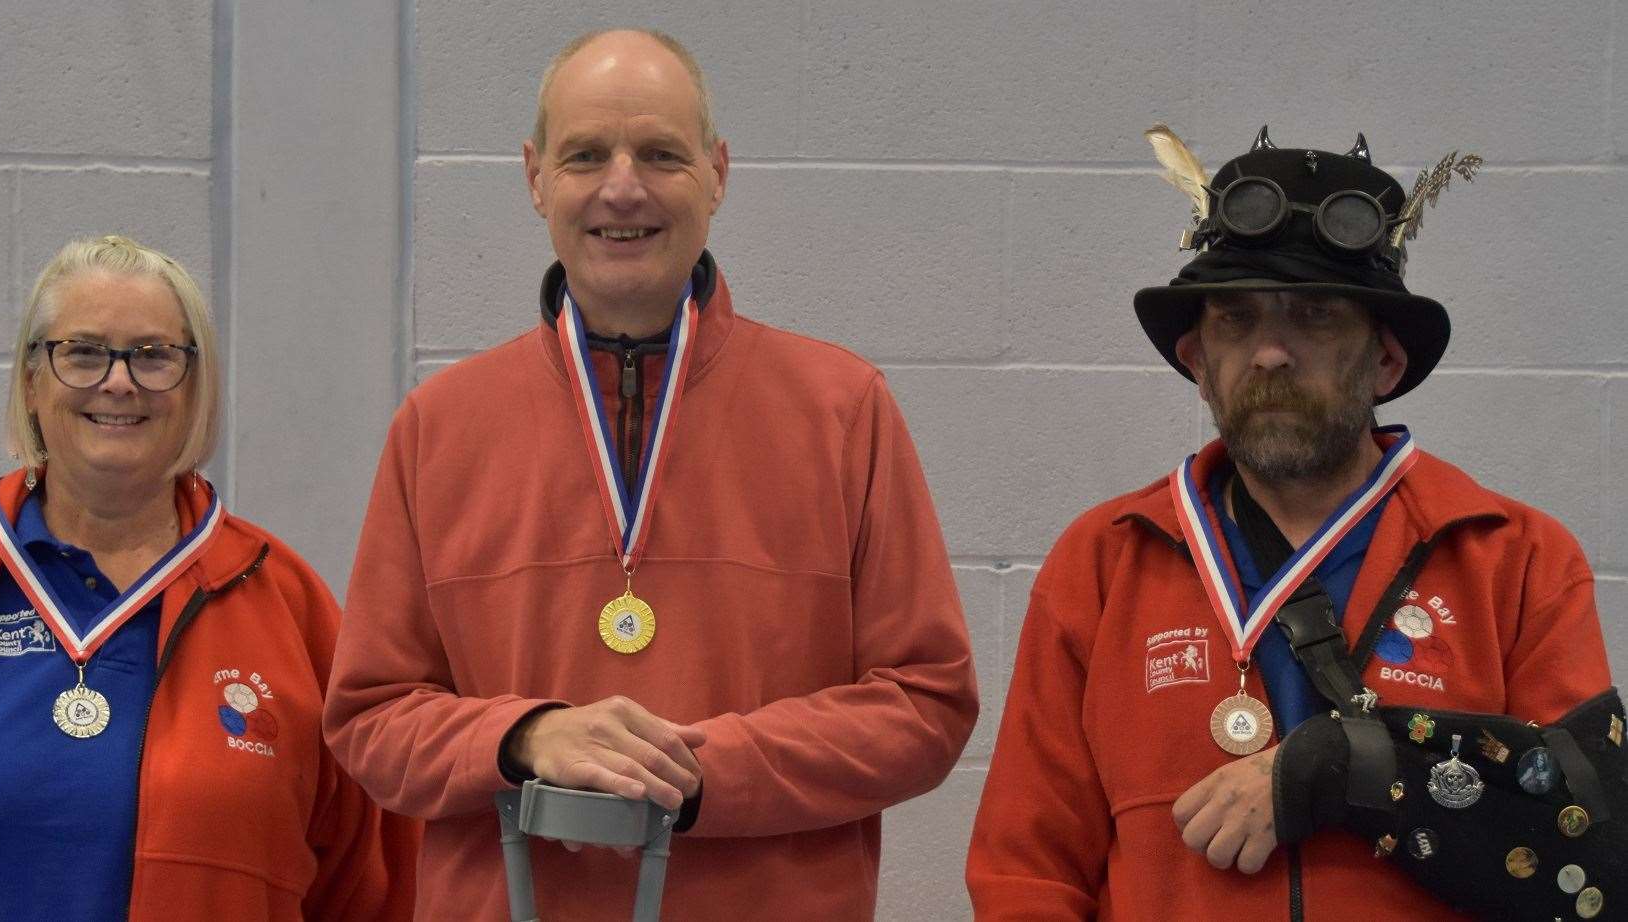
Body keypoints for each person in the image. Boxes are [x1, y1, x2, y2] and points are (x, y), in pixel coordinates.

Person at [323, 28, 978, 922]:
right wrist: (523, 736)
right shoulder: (439, 427)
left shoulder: (843, 410)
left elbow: (927, 703)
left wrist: (704, 772)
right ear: (534, 176)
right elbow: (369, 718)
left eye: (661, 155)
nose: (622, 188)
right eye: (585, 155)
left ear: (716, 173)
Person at [966, 127, 1622, 920]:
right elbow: (1027, 873)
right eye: (1235, 321)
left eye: (1314, 317)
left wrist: (1350, 762)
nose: (1270, 353)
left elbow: (1588, 824)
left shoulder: (1513, 557)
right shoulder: (1103, 563)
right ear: (1197, 363)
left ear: (1384, 362)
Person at [0, 235, 417, 921]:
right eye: (83, 352)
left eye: (154, 355)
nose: (120, 381)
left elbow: (375, 883)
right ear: (30, 382)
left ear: (197, 389)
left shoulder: (288, 605)